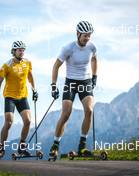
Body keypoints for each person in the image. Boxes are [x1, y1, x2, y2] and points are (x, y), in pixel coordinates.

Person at [49, 21, 98, 158]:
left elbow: (94, 60)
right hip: (70, 82)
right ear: (78, 34)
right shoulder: (68, 48)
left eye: (89, 36)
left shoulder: (92, 47)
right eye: (85, 36)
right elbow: (56, 66)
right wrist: (53, 85)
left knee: (89, 111)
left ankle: (82, 146)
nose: (87, 38)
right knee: (66, 114)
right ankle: (55, 145)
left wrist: (94, 76)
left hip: (85, 81)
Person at [0, 40, 38, 159]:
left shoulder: (27, 63)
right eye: (19, 50)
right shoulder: (7, 65)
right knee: (8, 122)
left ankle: (22, 148)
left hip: (23, 97)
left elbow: (30, 76)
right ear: (14, 51)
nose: (22, 52)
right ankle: (1, 148)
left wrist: (34, 90)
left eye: (23, 50)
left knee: (28, 121)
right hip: (10, 97)